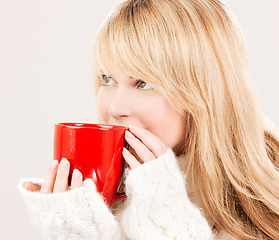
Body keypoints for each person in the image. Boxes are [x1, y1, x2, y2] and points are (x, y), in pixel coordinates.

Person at [18, 0, 279, 239]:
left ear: (208, 91)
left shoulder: (265, 216)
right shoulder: (104, 202)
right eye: (107, 79)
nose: (115, 107)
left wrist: (165, 219)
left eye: (144, 82)